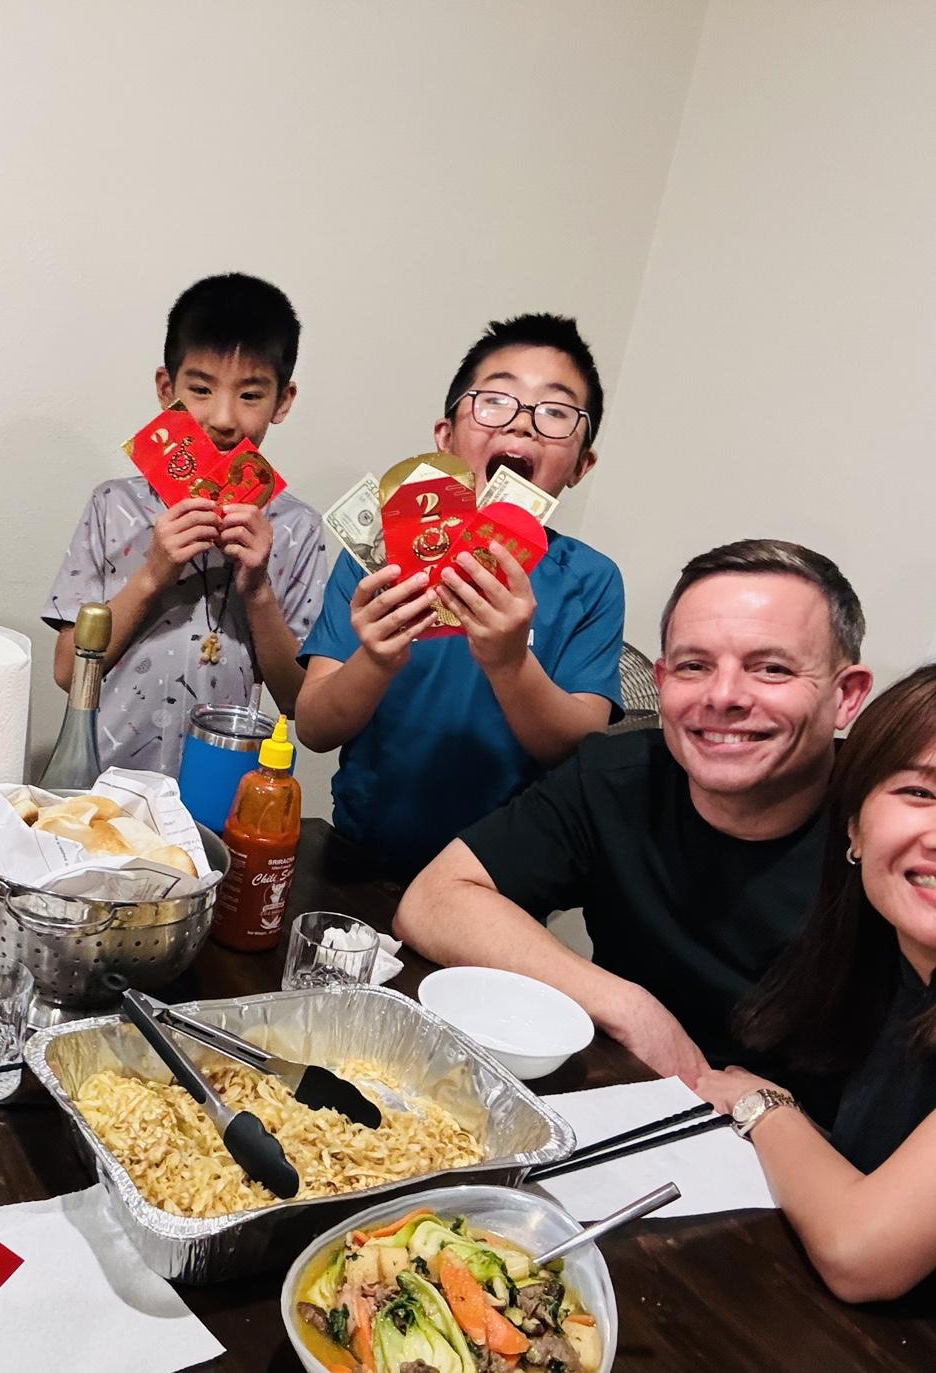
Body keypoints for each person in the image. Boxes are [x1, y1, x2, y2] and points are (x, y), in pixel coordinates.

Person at [394, 539, 873, 1083]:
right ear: (663, 684)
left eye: (771, 669)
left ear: (847, 696)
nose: (723, 696)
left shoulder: (892, 828)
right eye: (695, 666)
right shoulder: (617, 776)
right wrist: (630, 1008)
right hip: (629, 1096)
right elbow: (433, 902)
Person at [295, 313, 625, 879]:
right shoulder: (378, 552)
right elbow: (315, 728)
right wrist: (376, 660)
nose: (522, 425)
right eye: (495, 400)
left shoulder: (590, 579)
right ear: (445, 437)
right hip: (360, 855)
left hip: (503, 879)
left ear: (581, 465)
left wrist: (510, 663)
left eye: (555, 411)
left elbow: (578, 750)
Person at [697, 665, 936, 1303]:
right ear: (854, 825)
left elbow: (861, 1253)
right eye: (920, 793)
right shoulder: (881, 960)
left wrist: (763, 1107)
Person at [43, 272, 328, 774]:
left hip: (221, 786)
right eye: (200, 388)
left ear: (283, 401)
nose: (222, 417)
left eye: (251, 395)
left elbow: (298, 703)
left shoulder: (296, 528)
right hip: (105, 780)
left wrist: (258, 590)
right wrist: (153, 573)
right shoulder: (113, 507)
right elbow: (69, 670)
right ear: (165, 388)